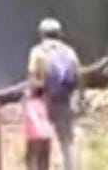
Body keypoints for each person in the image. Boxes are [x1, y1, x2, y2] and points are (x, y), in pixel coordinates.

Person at [27, 18, 80, 170]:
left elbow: (33, 76)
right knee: (67, 143)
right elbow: (78, 75)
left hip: (44, 101)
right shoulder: (69, 51)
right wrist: (80, 97)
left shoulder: (38, 51)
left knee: (40, 142)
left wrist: (32, 99)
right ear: (60, 34)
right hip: (65, 101)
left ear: (41, 34)